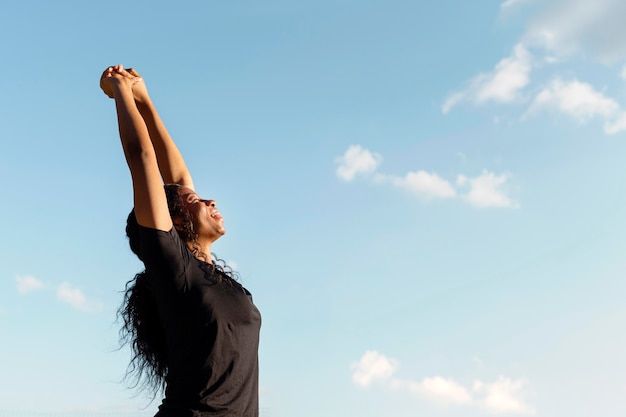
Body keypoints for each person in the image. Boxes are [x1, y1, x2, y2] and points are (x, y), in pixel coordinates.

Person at [100, 65, 261, 417]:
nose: (209, 200)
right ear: (174, 222)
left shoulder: (208, 276)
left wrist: (144, 97)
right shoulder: (175, 268)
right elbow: (143, 160)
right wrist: (120, 91)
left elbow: (178, 180)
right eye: (195, 202)